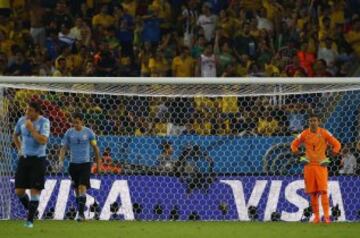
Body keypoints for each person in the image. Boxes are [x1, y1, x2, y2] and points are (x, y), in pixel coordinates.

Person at [291, 113, 341, 224]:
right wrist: (300, 155)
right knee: (313, 193)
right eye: (311, 121)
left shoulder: (324, 133)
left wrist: (330, 157)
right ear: (308, 122)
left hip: (321, 166)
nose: (313, 123)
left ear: (318, 122)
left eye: (315, 120)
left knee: (323, 191)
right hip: (309, 166)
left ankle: (327, 217)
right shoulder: (304, 134)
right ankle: (317, 217)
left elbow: (337, 145)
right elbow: (293, 145)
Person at [13, 101, 50, 228]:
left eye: (29, 110)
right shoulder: (21, 120)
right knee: (19, 191)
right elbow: (15, 135)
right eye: (26, 110)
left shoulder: (44, 122)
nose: (26, 112)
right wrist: (19, 149)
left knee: (34, 191)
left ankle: (29, 221)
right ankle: (33, 211)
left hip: (38, 160)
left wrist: (31, 129)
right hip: (24, 158)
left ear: (36, 112)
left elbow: (43, 141)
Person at [59, 112, 101, 221]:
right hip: (73, 165)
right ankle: (80, 211)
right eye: (74, 122)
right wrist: (60, 161)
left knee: (82, 187)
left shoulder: (88, 132)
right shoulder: (69, 133)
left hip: (85, 164)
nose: (75, 124)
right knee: (77, 190)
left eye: (77, 122)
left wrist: (98, 163)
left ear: (82, 122)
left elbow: (95, 148)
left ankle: (81, 215)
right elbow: (63, 148)